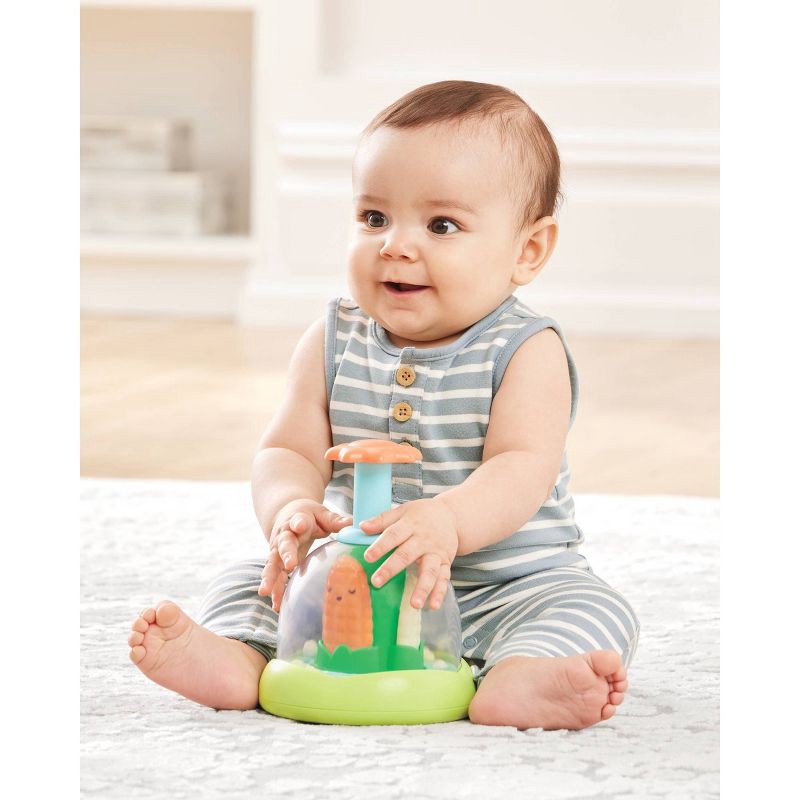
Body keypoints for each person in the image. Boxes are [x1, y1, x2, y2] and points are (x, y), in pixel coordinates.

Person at [128, 80, 639, 731]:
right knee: (251, 579)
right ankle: (238, 656)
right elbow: (287, 448)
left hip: (502, 589)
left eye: (441, 225)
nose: (395, 245)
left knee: (593, 607)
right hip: (352, 589)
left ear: (527, 250)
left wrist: (448, 521)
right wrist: (289, 510)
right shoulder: (332, 339)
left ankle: (521, 675)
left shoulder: (525, 350)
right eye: (374, 218)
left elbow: (521, 468)